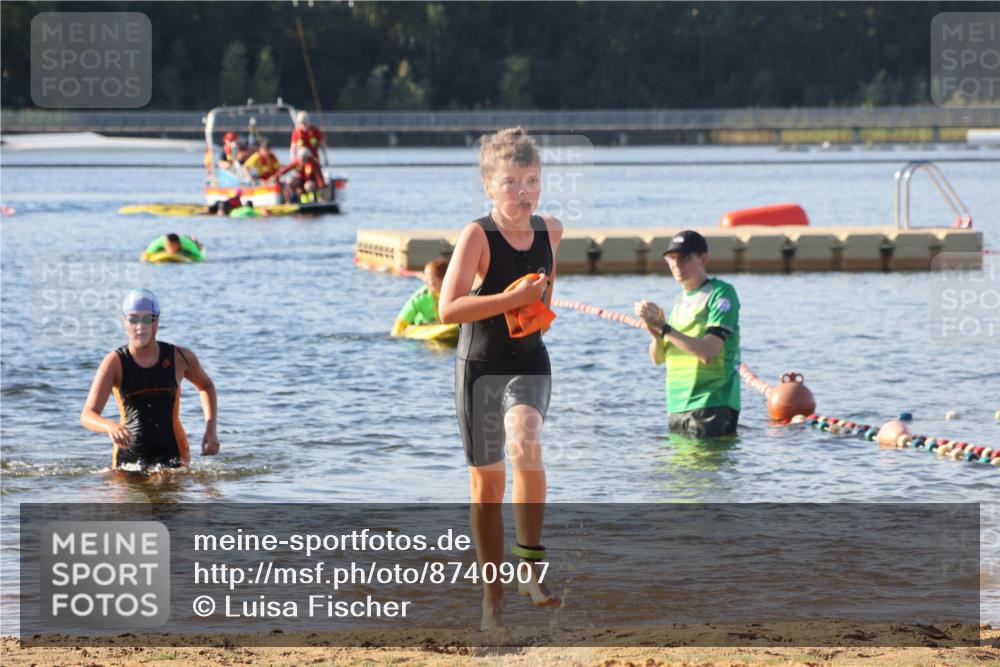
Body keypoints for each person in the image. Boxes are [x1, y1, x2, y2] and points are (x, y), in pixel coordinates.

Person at [438, 127, 563, 630]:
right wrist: (511, 300)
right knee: (488, 488)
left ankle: (531, 568)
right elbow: (449, 308)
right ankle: (492, 600)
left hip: (530, 362)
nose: (523, 192)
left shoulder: (551, 231)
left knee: (525, 439)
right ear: (489, 186)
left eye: (531, 180)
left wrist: (535, 310)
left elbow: (547, 297)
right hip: (480, 371)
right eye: (510, 182)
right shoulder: (477, 235)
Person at [80, 289, 220, 470]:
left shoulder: (180, 357)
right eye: (133, 319)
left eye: (148, 319)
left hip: (174, 454)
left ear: (157, 321)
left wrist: (211, 430)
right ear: (124, 322)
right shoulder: (114, 362)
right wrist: (110, 426)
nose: (140, 326)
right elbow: (87, 415)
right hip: (128, 459)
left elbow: (206, 386)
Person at [634, 230, 741, 438]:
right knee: (680, 469)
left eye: (683, 258)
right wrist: (656, 333)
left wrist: (665, 328)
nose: (676, 265)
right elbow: (658, 358)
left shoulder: (720, 293)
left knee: (706, 469)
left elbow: (708, 352)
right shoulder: (680, 301)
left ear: (703, 259)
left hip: (712, 402)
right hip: (676, 403)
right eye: (671, 259)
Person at [391, 259, 449, 336]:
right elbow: (399, 325)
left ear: (443, 279)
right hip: (422, 330)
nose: (425, 281)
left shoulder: (457, 294)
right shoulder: (420, 298)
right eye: (426, 278)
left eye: (429, 279)